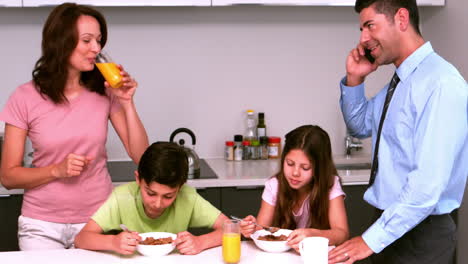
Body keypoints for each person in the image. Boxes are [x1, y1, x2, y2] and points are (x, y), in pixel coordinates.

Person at [0, 3, 148, 250]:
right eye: (87, 40)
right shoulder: (24, 97)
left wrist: (127, 103)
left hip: (98, 221)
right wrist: (56, 170)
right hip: (41, 226)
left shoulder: (105, 92)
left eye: (99, 41)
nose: (96, 48)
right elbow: (8, 176)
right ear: (61, 42)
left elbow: (141, 156)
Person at [328, 0, 468, 263]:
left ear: (401, 19)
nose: (363, 38)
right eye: (361, 29)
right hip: (388, 223)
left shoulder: (442, 83)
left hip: (421, 235)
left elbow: (426, 187)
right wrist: (354, 79)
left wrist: (369, 239)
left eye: (370, 26)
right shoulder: (401, 82)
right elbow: (360, 127)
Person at [74, 142, 229, 255]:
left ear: (180, 188)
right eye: (151, 193)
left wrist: (200, 242)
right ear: (138, 179)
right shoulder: (122, 197)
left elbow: (231, 227)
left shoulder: (188, 196)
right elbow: (81, 239)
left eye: (168, 196)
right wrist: (112, 242)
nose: (157, 204)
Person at [239, 125, 349, 251]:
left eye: (305, 167)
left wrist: (313, 235)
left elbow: (342, 234)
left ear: (320, 168)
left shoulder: (330, 185)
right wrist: (251, 229)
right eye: (290, 163)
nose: (295, 173)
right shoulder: (274, 185)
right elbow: (262, 229)